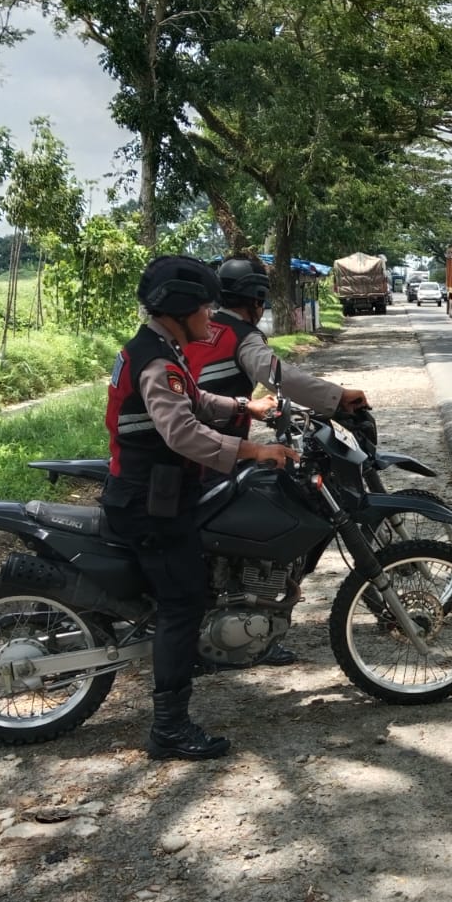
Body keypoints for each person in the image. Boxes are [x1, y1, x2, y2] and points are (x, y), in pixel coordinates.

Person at [102, 254, 299, 762]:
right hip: (152, 502)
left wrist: (243, 407)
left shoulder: (158, 349)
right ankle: (168, 729)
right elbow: (181, 431)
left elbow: (192, 400)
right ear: (181, 306)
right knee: (182, 602)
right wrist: (251, 449)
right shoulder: (158, 360)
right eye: (206, 307)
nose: (212, 318)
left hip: (155, 492)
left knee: (193, 585)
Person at [183, 252, 371, 666]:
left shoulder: (198, 329)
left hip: (190, 448)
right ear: (257, 298)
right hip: (209, 455)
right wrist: (337, 397)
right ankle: (234, 626)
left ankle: (249, 618)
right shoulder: (242, 336)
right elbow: (280, 375)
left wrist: (258, 409)